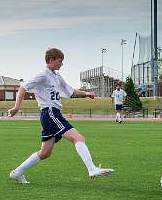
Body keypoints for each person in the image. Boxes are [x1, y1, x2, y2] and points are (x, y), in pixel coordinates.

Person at [8, 48, 114, 184]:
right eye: (60, 61)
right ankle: (92, 169)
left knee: (45, 153)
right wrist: (17, 107)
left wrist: (86, 94)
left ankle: (16, 173)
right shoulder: (42, 75)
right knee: (78, 138)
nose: (62, 64)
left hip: (52, 114)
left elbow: (69, 90)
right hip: (50, 112)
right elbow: (23, 88)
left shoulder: (56, 76)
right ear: (51, 60)